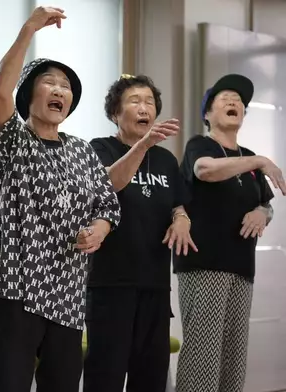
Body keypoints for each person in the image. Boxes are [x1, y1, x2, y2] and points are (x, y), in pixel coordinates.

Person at [0, 6, 121, 392]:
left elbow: (108, 205)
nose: (60, 89)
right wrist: (28, 28)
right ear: (29, 93)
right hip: (15, 291)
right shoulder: (11, 140)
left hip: (69, 296)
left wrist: (99, 231)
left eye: (66, 86)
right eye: (49, 82)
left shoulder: (82, 150)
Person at [82, 74, 195, 392]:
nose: (144, 107)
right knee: (106, 375)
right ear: (115, 113)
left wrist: (182, 217)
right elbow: (108, 183)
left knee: (151, 377)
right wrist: (144, 145)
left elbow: (178, 203)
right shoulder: (99, 148)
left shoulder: (166, 160)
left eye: (149, 102)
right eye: (134, 101)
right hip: (110, 285)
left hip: (155, 286)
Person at [175, 74, 286, 392]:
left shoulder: (250, 159)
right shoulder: (201, 145)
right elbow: (205, 171)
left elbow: (267, 205)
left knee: (234, 358)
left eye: (238, 101)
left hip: (241, 268)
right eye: (224, 98)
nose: (233, 102)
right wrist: (260, 160)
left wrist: (262, 212)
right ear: (207, 113)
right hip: (204, 264)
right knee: (203, 356)